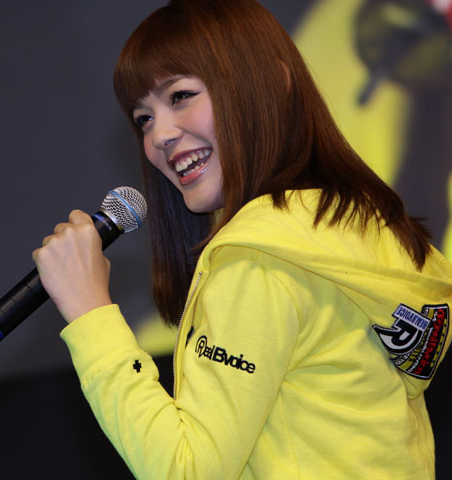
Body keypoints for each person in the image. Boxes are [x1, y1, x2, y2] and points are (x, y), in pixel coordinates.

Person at [32, 0, 452, 478]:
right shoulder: (361, 225)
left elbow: (184, 470)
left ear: (271, 83)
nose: (159, 135)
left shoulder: (260, 260)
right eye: (143, 118)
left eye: (181, 95)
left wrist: (90, 313)